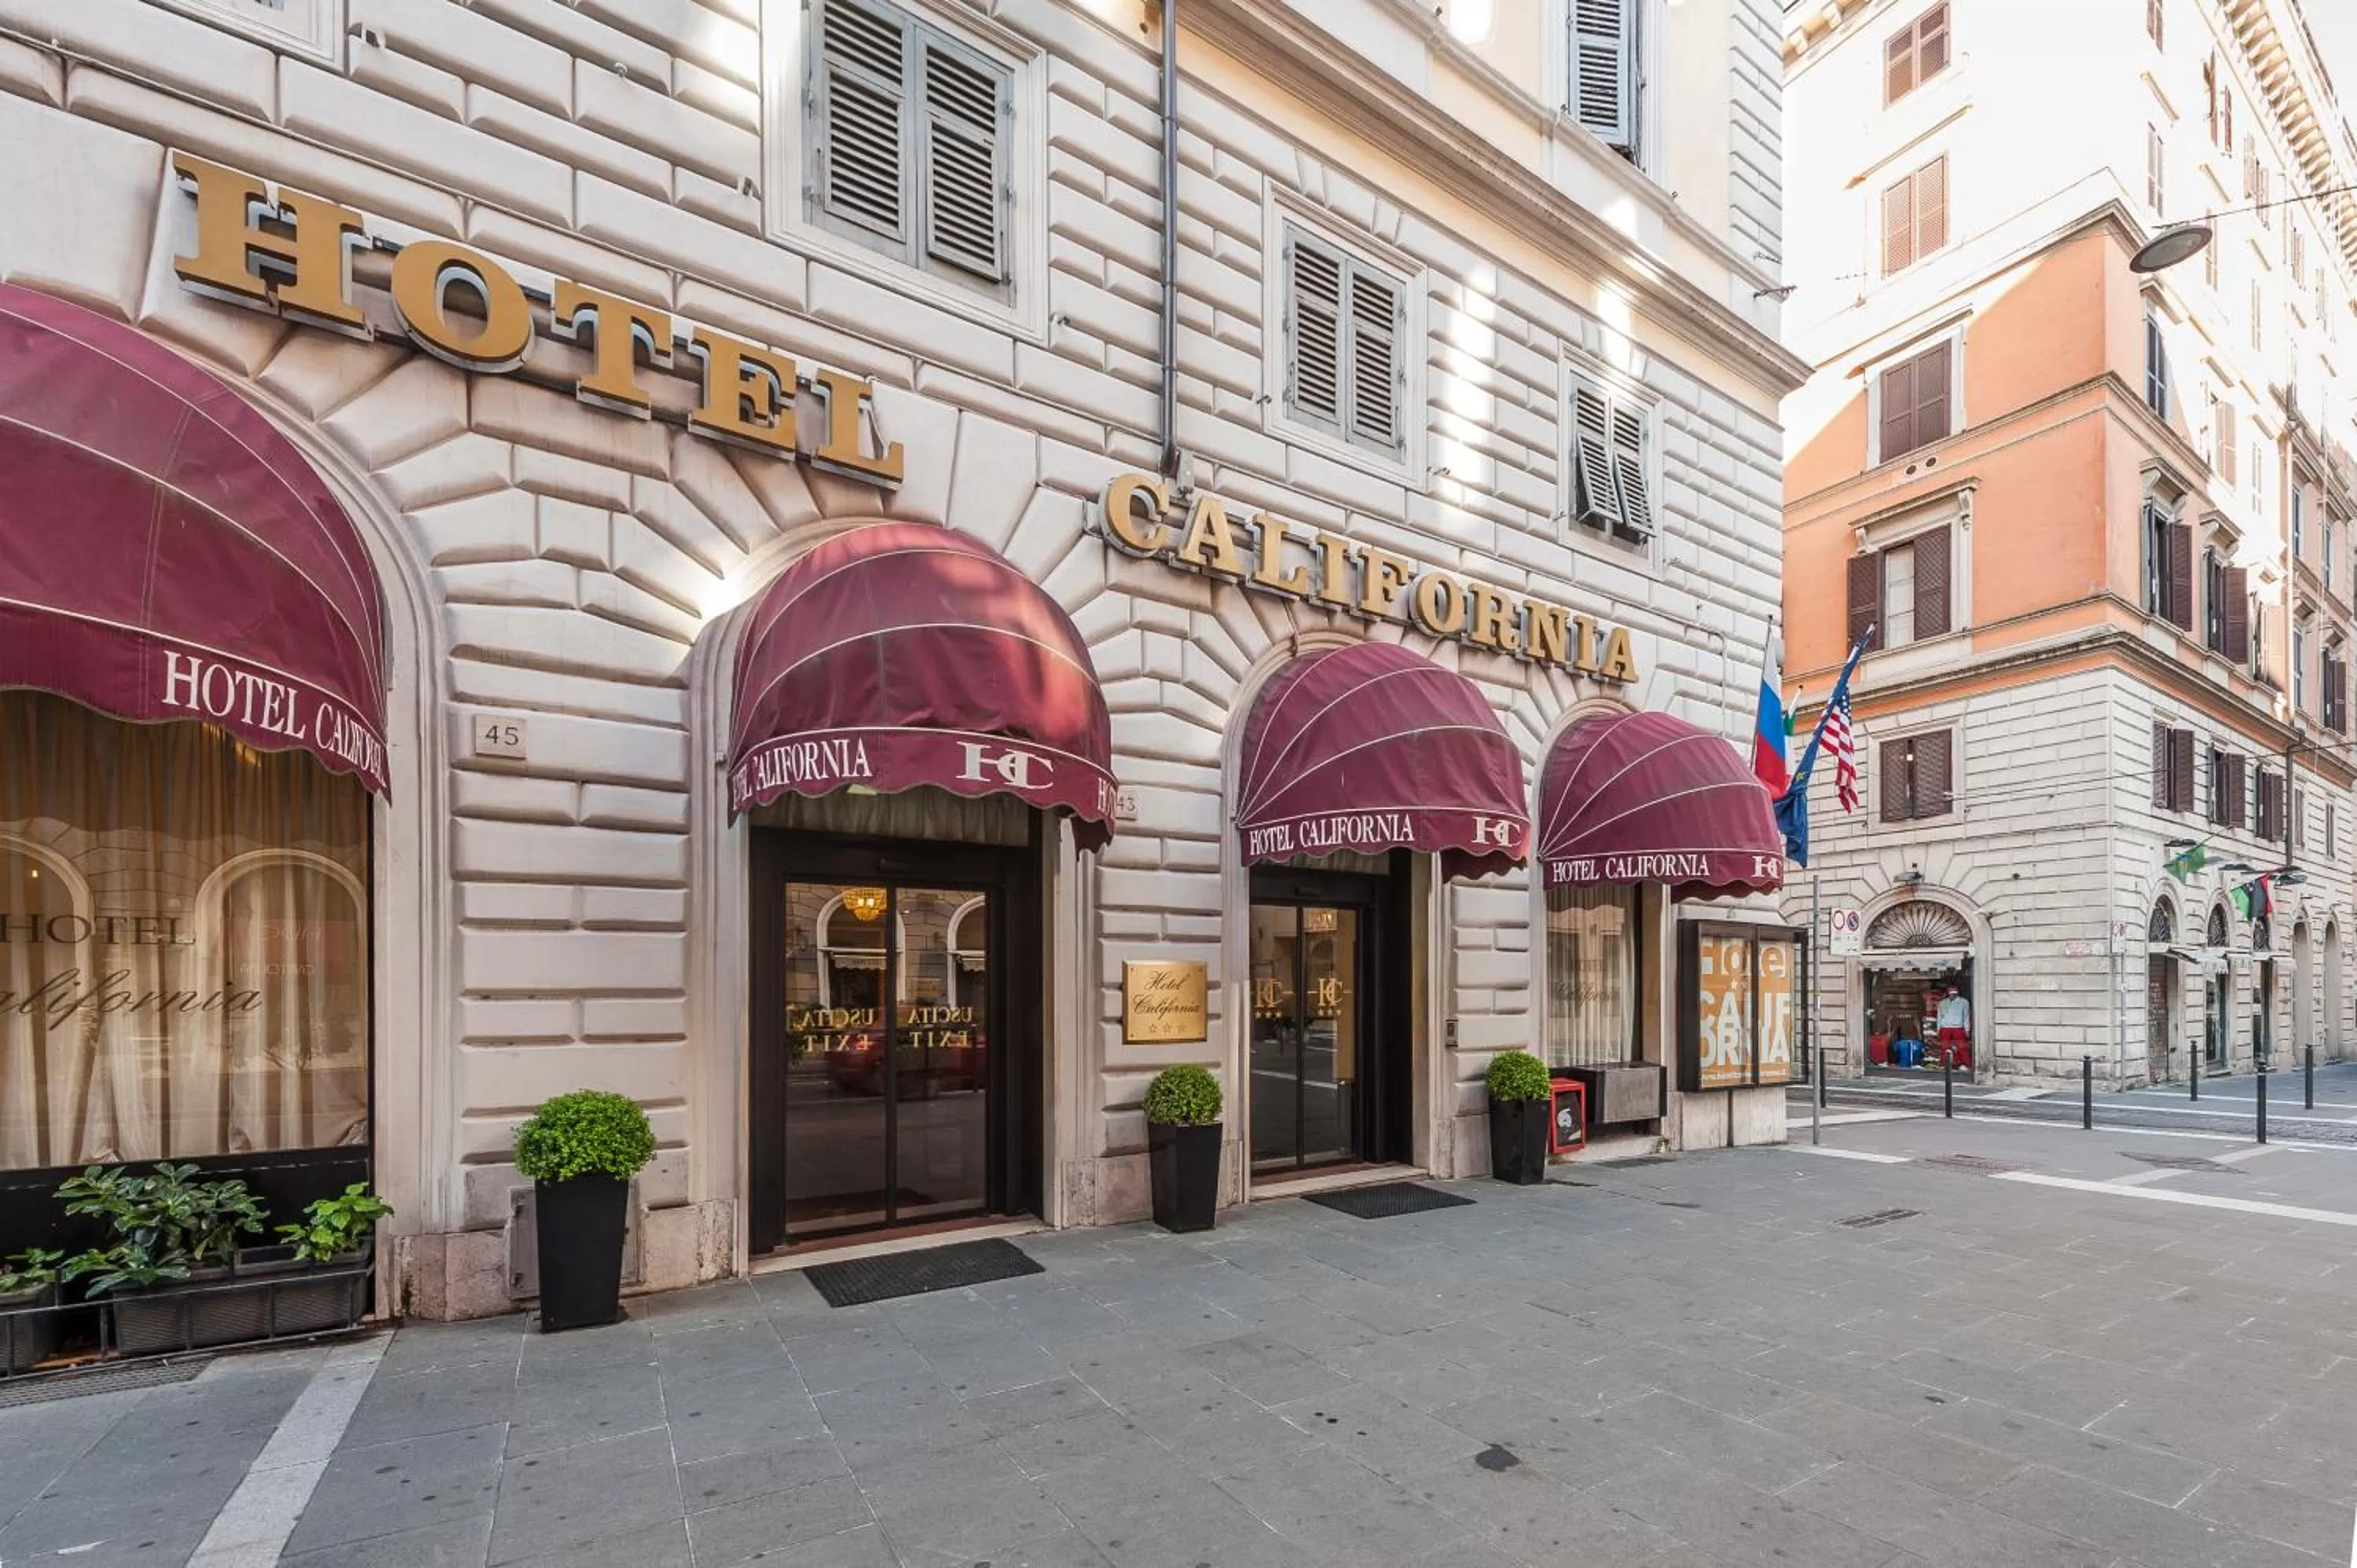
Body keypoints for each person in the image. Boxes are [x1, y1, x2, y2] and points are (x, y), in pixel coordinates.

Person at [1935, 984, 1970, 1070]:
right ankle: (1944, 1064)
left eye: (1954, 992)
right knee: (1945, 1047)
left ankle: (1965, 1064)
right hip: (1945, 1027)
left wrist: (1967, 1028)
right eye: (1951, 992)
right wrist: (1939, 1028)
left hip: (1958, 1027)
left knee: (1962, 1047)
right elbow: (1939, 1016)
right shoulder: (1942, 1003)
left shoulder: (1964, 1002)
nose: (1953, 994)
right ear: (1948, 992)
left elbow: (1966, 1016)